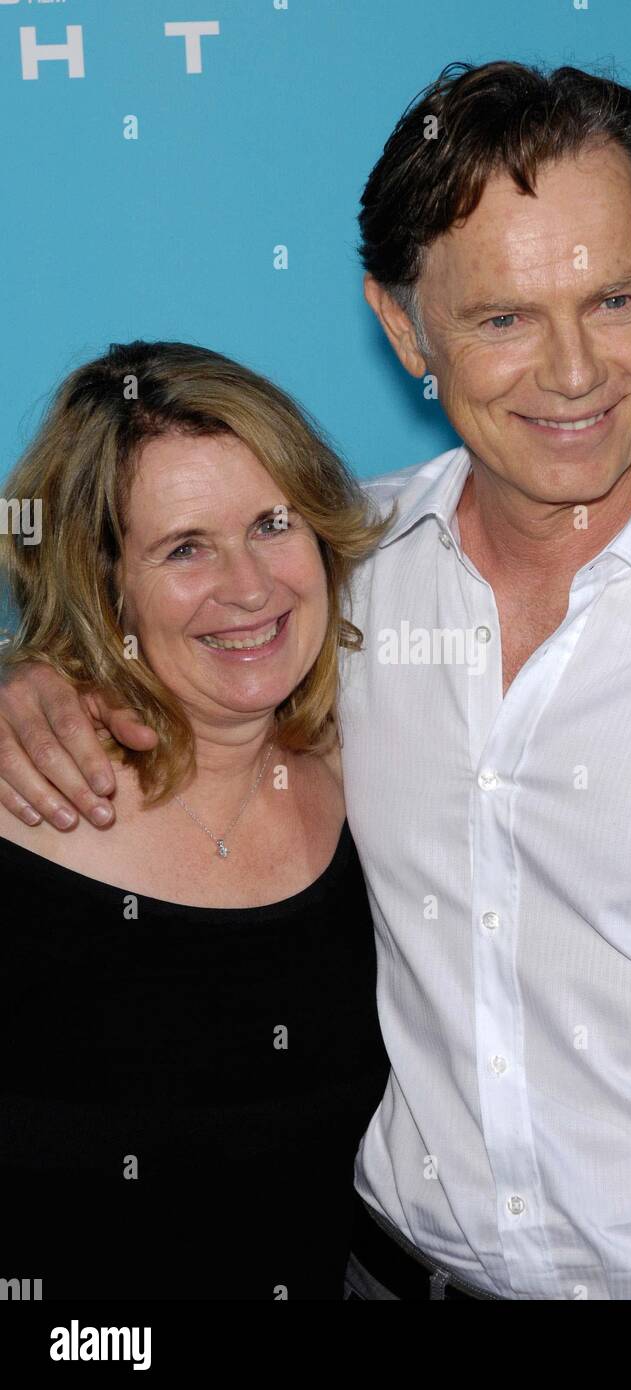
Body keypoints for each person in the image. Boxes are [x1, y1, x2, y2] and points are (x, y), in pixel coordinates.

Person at [2, 61, 631, 1300]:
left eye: (613, 297)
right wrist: (26, 677)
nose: (572, 373)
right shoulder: (334, 570)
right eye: (502, 317)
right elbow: (159, 595)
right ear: (402, 326)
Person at [0, 339, 392, 1300]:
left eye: (271, 523)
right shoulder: (16, 796)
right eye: (184, 548)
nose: (250, 587)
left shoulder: (382, 772)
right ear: (102, 583)